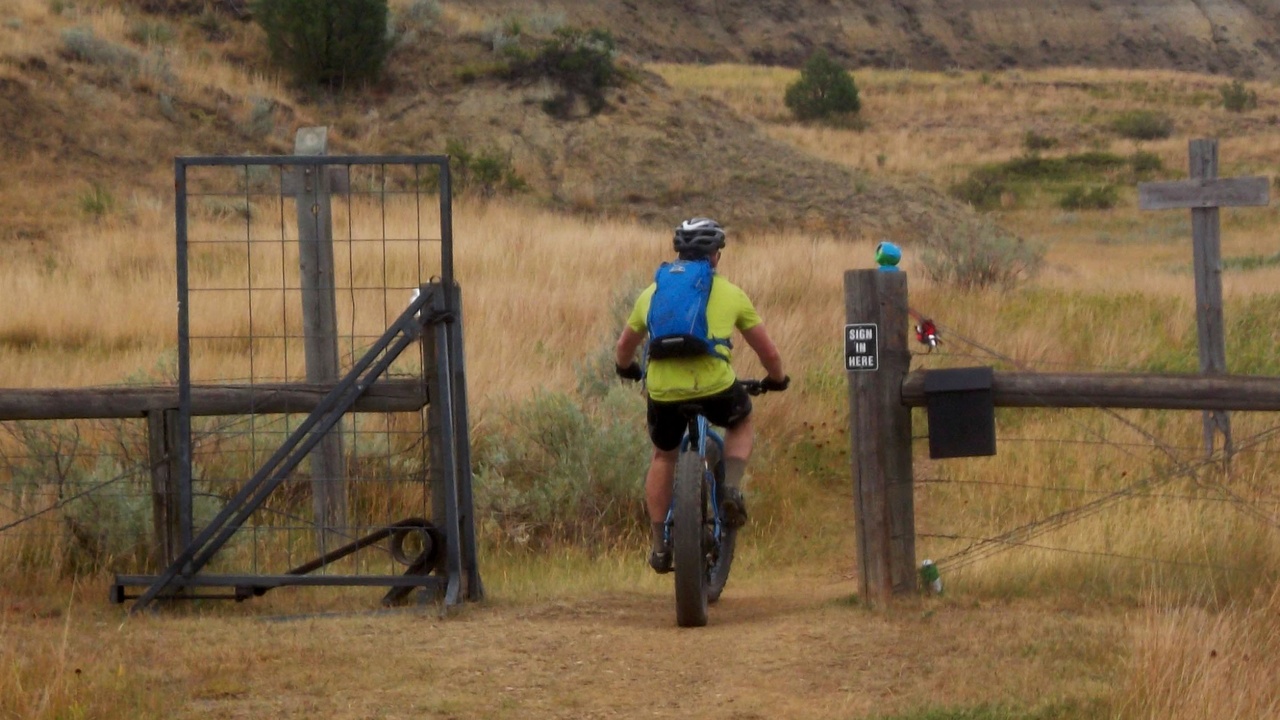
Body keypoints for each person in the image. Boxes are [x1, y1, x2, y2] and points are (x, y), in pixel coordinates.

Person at [614, 217, 789, 573]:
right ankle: (731, 491)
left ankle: (660, 544)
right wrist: (776, 379)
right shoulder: (731, 293)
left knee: (663, 457)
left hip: (662, 391)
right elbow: (768, 354)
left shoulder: (653, 293)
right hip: (715, 386)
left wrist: (628, 370)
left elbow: (623, 348)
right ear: (715, 256)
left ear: (678, 252)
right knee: (741, 420)